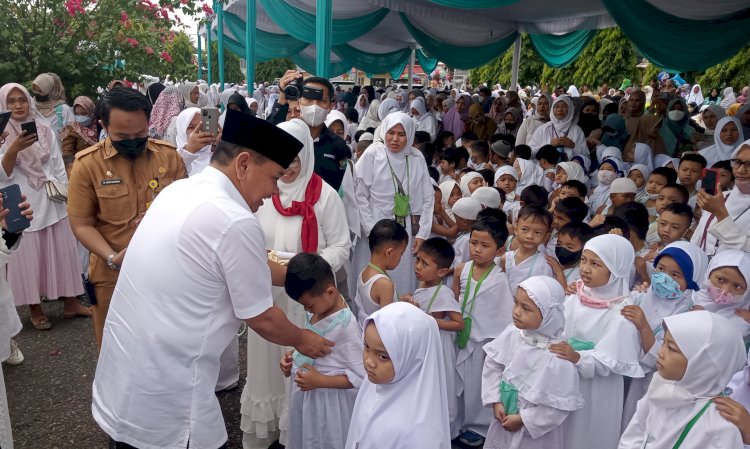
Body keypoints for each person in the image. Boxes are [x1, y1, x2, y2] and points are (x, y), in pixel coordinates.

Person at [91, 109, 334, 449]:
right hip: (169, 392)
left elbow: (245, 265)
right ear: (244, 164)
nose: (273, 191)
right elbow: (261, 317)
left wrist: (304, 280)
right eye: (274, 177)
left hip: (127, 377)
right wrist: (306, 340)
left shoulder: (180, 191)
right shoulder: (233, 219)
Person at [242, 118, 352, 446]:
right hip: (267, 293)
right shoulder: (262, 191)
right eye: (281, 161)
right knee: (265, 360)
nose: (288, 169)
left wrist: (310, 268)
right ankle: (266, 429)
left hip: (307, 298)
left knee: (299, 356)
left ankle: (296, 430)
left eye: (295, 160)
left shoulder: (325, 197)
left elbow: (341, 246)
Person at [68, 87, 188, 349]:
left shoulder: (169, 157)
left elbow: (188, 212)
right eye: (122, 136)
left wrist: (164, 218)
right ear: (103, 125)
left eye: (140, 134)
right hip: (112, 274)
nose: (133, 141)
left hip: (164, 271)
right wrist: (112, 258)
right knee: (115, 348)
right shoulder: (87, 165)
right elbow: (81, 223)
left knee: (164, 346)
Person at [0, 83, 89, 329]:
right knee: (28, 255)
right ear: (3, 105)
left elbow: (56, 163)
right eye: (11, 101)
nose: (18, 105)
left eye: (22, 100)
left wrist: (66, 191)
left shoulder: (43, 128)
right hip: (21, 201)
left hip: (50, 198)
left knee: (62, 251)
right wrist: (14, 148)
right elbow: (2, 174)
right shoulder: (2, 135)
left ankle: (70, 302)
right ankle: (34, 307)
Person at [549, 234, 644, 449]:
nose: (585, 269)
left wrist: (578, 357)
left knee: (585, 431)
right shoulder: (578, 293)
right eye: (583, 260)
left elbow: (612, 358)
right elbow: (559, 325)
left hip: (596, 386)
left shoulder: (623, 311)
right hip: (565, 372)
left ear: (616, 269)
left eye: (596, 264)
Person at [481, 276, 583, 449]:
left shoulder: (557, 355)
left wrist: (524, 419)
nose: (516, 312)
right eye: (516, 303)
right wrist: (495, 400)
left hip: (534, 435)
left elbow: (558, 406)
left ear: (548, 315)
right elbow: (493, 363)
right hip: (504, 417)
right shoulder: (514, 334)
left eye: (526, 308)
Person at [619, 310, 746, 449]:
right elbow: (636, 432)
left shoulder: (720, 426)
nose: (661, 353)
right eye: (664, 343)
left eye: (671, 349)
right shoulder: (661, 386)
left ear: (703, 364)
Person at [279, 253, 364, 449]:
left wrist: (320, 381)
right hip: (308, 399)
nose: (308, 311)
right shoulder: (321, 309)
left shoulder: (345, 327)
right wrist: (293, 356)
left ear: (331, 292)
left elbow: (360, 376)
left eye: (309, 305)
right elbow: (311, 341)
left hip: (329, 405)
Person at [620, 241, 708, 429]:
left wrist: (643, 326)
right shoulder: (641, 295)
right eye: (660, 268)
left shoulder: (686, 316)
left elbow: (657, 358)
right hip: (619, 376)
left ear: (692, 281)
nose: (663, 277)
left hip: (647, 385)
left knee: (633, 425)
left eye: (675, 275)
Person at [345, 302, 451, 448]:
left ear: (412, 357)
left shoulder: (419, 433)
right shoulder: (372, 387)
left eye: (383, 356)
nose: (369, 361)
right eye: (366, 346)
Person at [353, 112, 434, 296]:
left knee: (399, 277)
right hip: (374, 225)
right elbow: (360, 195)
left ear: (410, 135)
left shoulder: (415, 157)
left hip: (402, 228)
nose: (395, 139)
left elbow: (428, 197)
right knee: (371, 282)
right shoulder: (374, 153)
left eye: (401, 134)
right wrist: (373, 233)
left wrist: (423, 232)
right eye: (391, 132)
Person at [453, 218, 514, 446]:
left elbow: (502, 315)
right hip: (462, 336)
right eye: (473, 243)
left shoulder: (499, 279)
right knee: (462, 384)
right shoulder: (463, 269)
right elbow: (455, 298)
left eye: (484, 245)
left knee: (479, 384)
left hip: (484, 341)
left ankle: (478, 426)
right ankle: (460, 420)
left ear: (499, 250)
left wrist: (496, 346)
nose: (476, 249)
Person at [404, 237, 463, 437]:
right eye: (418, 260)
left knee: (440, 386)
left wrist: (430, 320)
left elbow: (458, 323)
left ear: (442, 272)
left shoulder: (444, 293)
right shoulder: (423, 284)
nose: (418, 266)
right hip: (425, 344)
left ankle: (443, 430)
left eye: (425, 263)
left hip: (440, 347)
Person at [353, 219, 407, 324]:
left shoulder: (364, 272)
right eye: (401, 254)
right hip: (377, 337)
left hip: (364, 332)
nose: (401, 258)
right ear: (389, 253)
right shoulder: (384, 284)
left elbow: (374, 303)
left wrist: (399, 300)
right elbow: (387, 324)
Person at [692, 249, 750, 338]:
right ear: (708, 273)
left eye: (737, 286)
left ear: (746, 291)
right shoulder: (687, 297)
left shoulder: (745, 318)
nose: (725, 290)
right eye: (721, 280)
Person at [503, 205, 555, 294]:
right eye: (525, 229)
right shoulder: (505, 259)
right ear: (516, 229)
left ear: (546, 236)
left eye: (537, 232)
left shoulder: (545, 265)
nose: (529, 236)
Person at [174, 107, 218, 176]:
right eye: (191, 127)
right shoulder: (172, 158)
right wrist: (189, 151)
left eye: (202, 127)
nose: (198, 131)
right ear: (181, 131)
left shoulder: (217, 155)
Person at [31, 73, 73, 139]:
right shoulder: (31, 107)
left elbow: (71, 135)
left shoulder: (63, 110)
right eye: (35, 90)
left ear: (51, 91)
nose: (37, 93)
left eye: (40, 91)